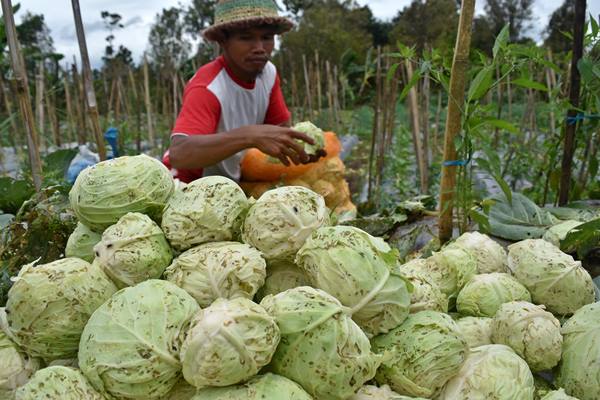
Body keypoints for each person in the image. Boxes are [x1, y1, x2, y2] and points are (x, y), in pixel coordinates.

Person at [163, 0, 323, 183]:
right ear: (223, 41)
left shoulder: (268, 73)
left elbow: (280, 130)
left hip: (229, 185)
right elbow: (180, 153)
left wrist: (302, 148)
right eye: (246, 38)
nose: (259, 48)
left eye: (267, 38)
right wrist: (249, 136)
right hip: (189, 184)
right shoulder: (208, 87)